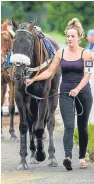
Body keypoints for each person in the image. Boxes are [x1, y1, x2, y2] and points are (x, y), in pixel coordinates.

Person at [24, 18, 93, 171]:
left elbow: (87, 75)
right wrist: (33, 79)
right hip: (65, 93)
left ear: (79, 37)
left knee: (82, 127)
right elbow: (49, 72)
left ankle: (81, 158)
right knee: (68, 126)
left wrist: (78, 89)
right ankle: (68, 157)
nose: (69, 39)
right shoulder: (60, 53)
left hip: (84, 93)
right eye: (68, 36)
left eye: (72, 36)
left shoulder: (86, 54)